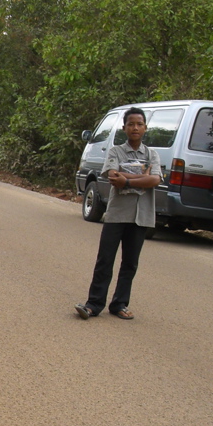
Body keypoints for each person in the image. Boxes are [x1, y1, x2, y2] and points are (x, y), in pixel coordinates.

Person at [75, 107, 163, 320]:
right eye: (131, 124)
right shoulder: (115, 152)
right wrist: (141, 176)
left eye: (139, 124)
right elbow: (113, 177)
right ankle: (93, 305)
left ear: (145, 128)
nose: (135, 128)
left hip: (140, 216)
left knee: (130, 263)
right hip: (116, 214)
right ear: (124, 128)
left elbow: (155, 180)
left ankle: (119, 304)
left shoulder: (152, 154)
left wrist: (128, 181)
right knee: (105, 259)